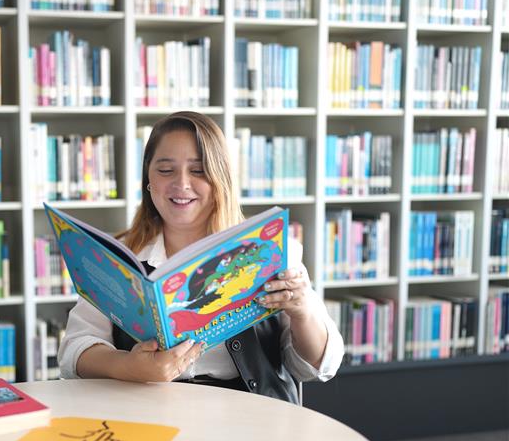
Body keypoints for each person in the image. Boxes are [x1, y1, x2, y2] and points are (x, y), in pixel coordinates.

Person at [57, 111, 344, 403]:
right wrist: (129, 367)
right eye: (165, 170)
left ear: (221, 178)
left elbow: (321, 366)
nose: (181, 184)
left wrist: (302, 312)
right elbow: (74, 350)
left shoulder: (269, 249)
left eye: (198, 170)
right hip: (147, 406)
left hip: (252, 409)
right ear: (148, 178)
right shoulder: (117, 256)